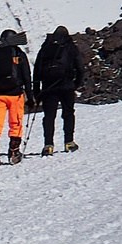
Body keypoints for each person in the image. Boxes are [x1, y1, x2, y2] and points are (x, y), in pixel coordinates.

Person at [0, 29, 32, 167]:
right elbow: (27, 76)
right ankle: (14, 153)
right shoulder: (18, 53)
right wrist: (30, 96)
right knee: (15, 123)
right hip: (15, 95)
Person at [34, 25, 86, 153]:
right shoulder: (71, 47)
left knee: (49, 116)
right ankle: (69, 142)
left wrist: (37, 92)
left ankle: (48, 145)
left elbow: (37, 71)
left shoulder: (45, 47)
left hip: (48, 87)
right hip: (67, 86)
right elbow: (80, 68)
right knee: (68, 113)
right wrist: (75, 84)